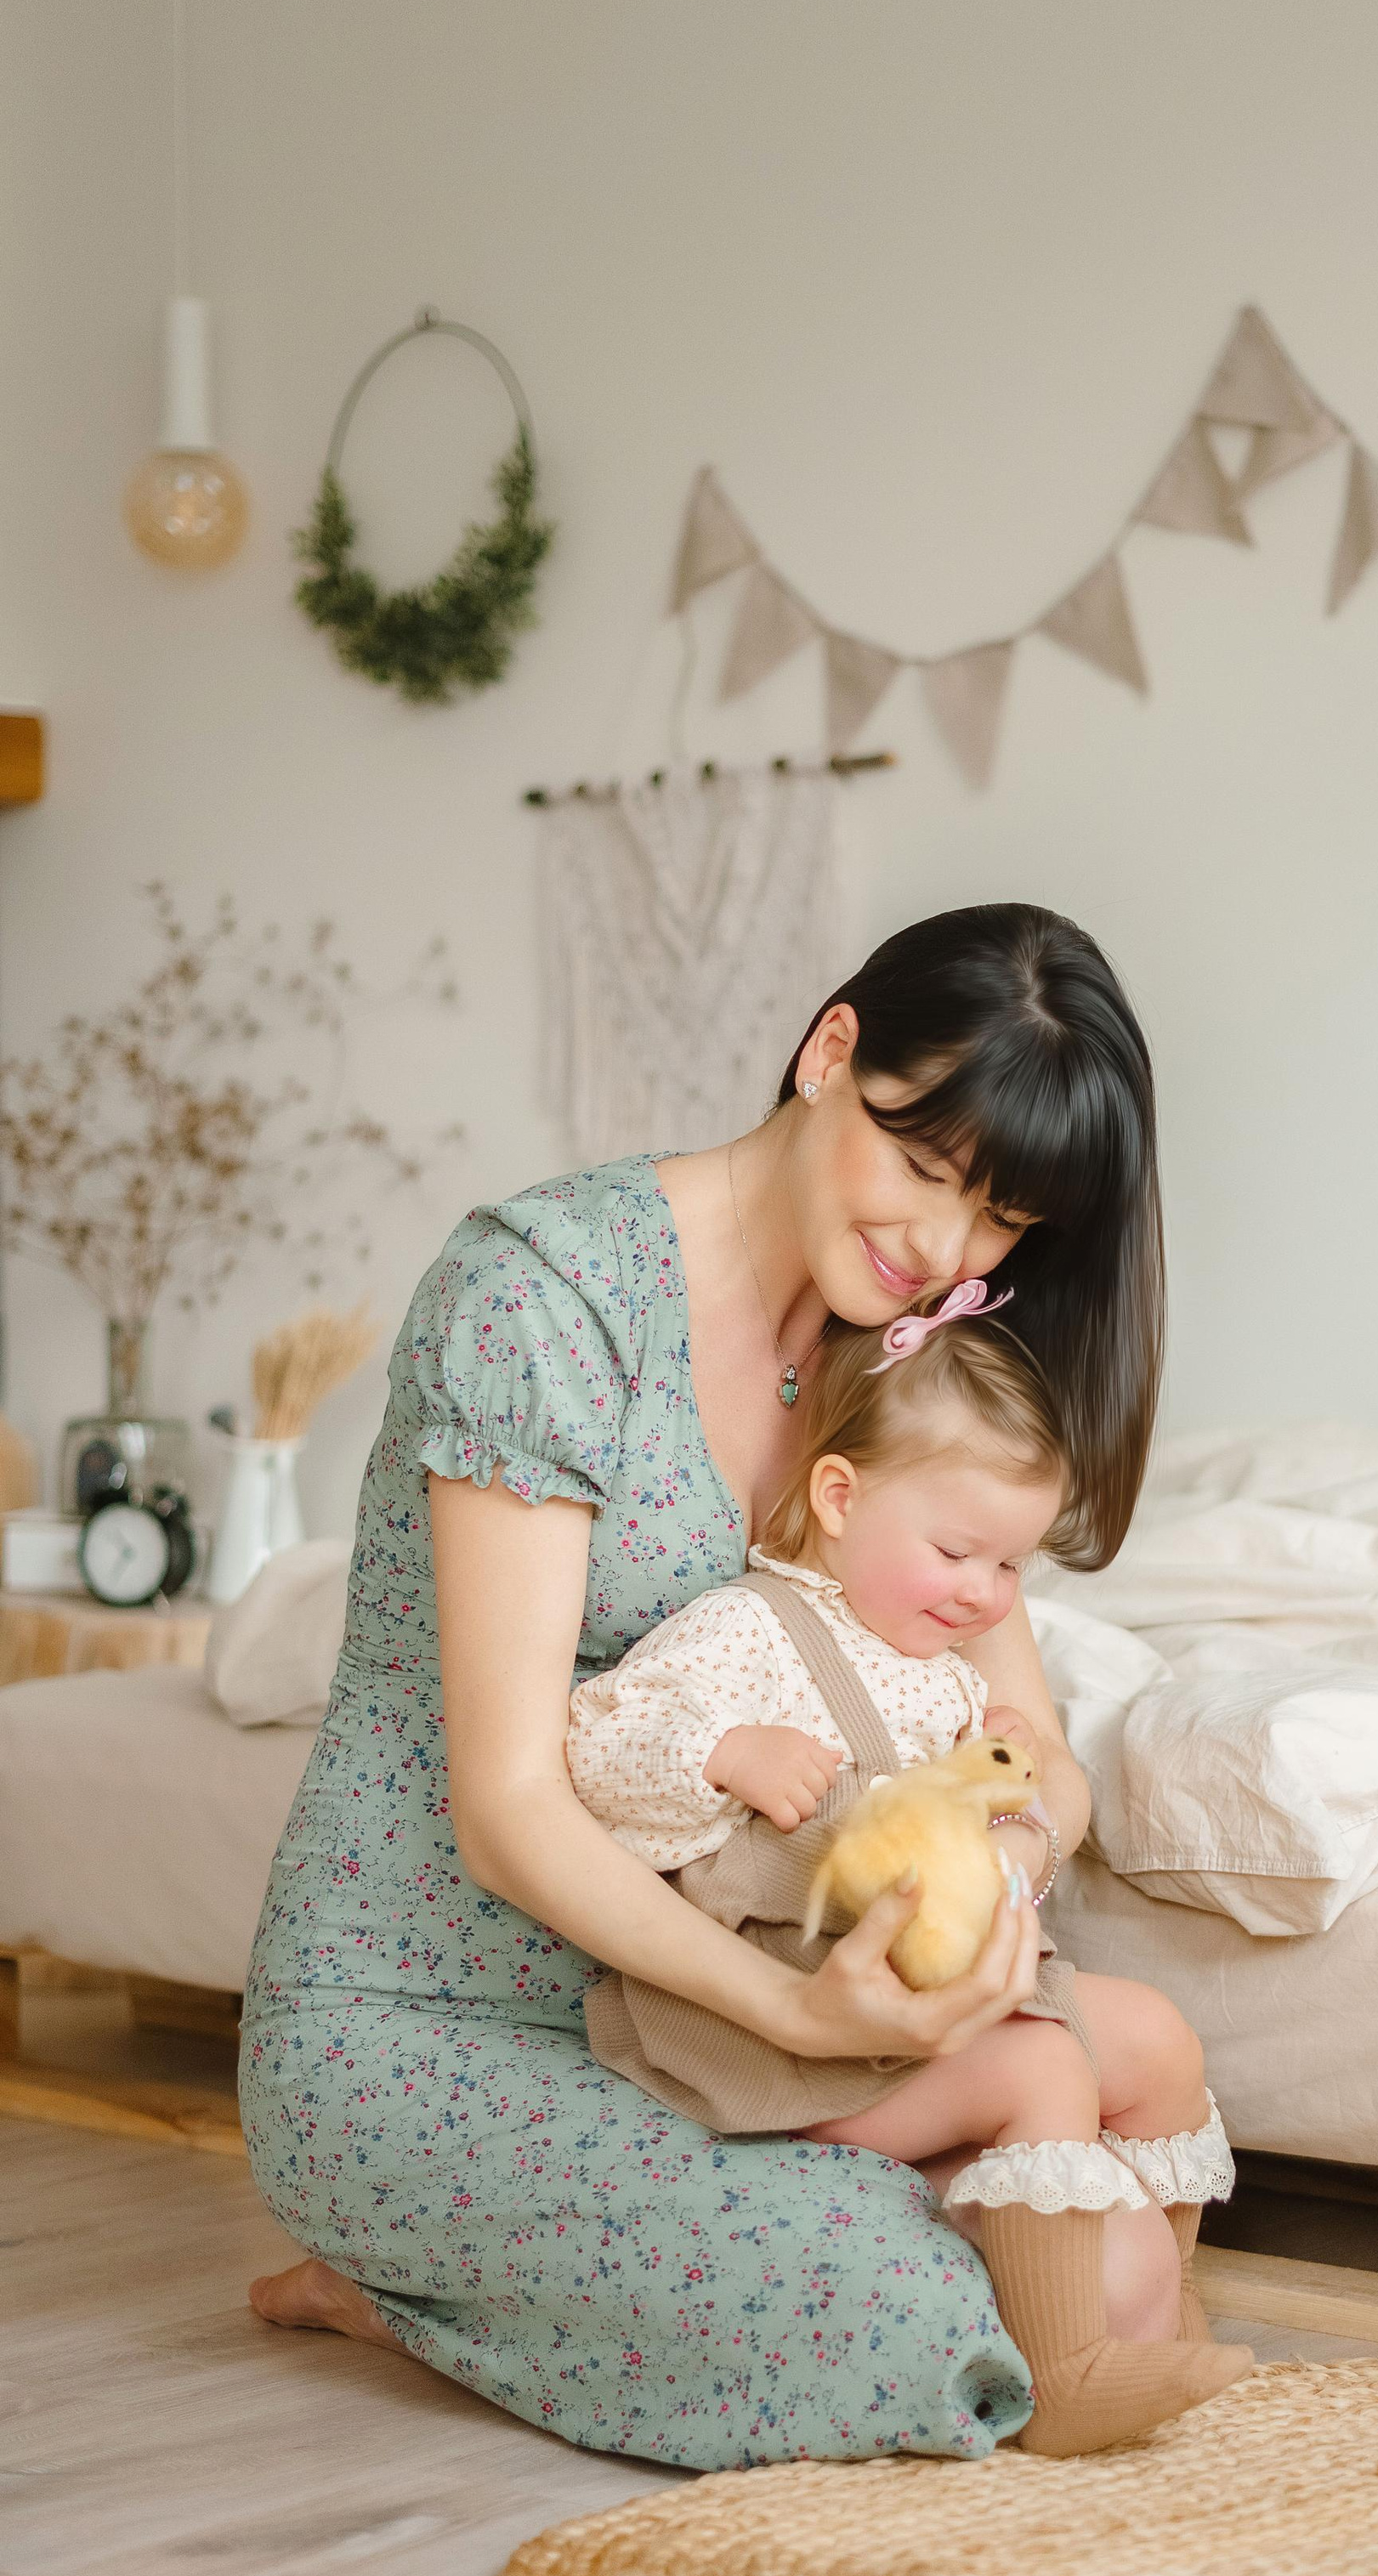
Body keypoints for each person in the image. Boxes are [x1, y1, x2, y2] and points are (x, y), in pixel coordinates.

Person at [240, 903, 1170, 2468]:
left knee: (1121, 2279)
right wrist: (805, 2018)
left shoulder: (905, 1345)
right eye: (926, 1165)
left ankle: (503, 2293)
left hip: (714, 2036)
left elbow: (1034, 1747)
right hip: (444, 2018)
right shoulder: (543, 1298)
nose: (948, 1249)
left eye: (1001, 1217)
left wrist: (1002, 1867)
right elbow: (512, 1807)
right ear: (830, 1052)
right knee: (921, 2319)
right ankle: (402, 2281)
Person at [566, 1308, 1249, 2456]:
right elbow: (594, 1744)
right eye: (958, 1553)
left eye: (1011, 1565)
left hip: (927, 2012)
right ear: (840, 1500)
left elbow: (1016, 1813)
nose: (987, 1595)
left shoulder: (933, 1674)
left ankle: (1162, 2302)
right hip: (788, 2048)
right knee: (1039, 2066)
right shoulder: (749, 1633)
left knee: (1160, 2041)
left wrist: (1015, 1828)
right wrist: (729, 1755)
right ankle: (1070, 2373)